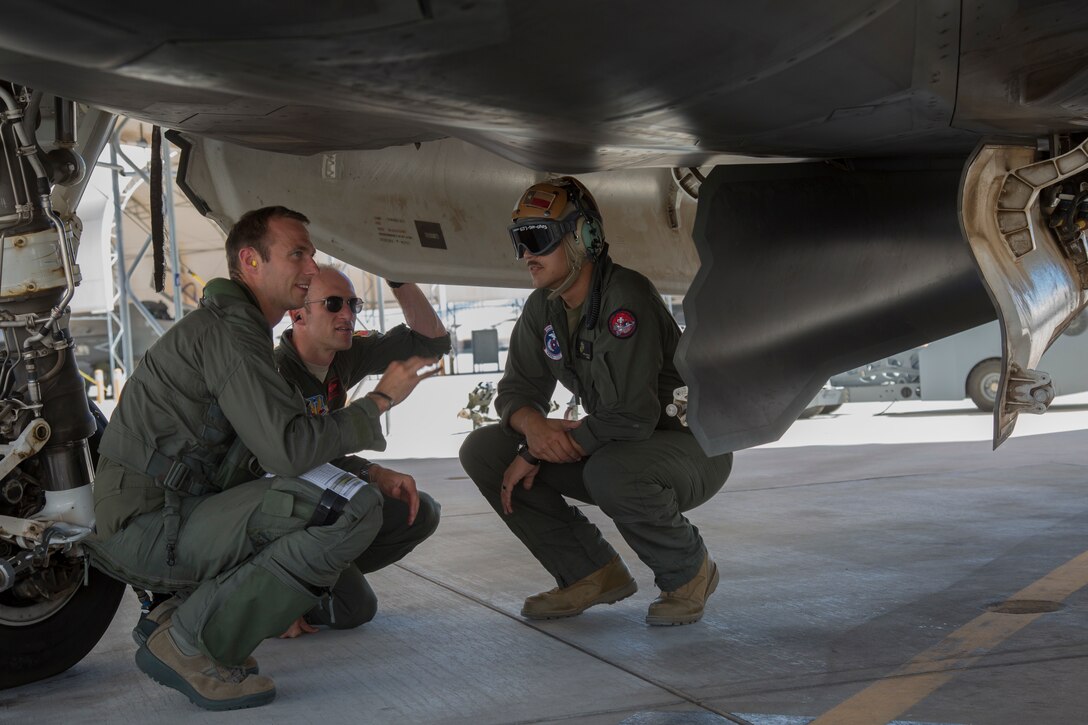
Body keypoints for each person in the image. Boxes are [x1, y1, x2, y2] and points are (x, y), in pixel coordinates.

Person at [87, 206, 436, 711]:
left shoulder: (239, 330)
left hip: (171, 514)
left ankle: (189, 615)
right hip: (151, 525)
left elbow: (262, 458)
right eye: (298, 254)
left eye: (311, 255)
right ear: (250, 261)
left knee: (360, 500)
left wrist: (369, 469)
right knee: (345, 507)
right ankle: (190, 642)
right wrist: (378, 402)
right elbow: (289, 450)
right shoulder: (230, 333)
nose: (312, 268)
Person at [459, 177, 733, 626]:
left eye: (536, 239)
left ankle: (688, 573)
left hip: (688, 448)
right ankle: (589, 572)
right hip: (617, 446)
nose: (526, 255)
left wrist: (536, 450)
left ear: (583, 237)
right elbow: (516, 392)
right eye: (519, 242)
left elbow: (632, 415)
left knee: (612, 471)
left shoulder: (626, 298)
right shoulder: (542, 308)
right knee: (486, 451)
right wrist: (534, 428)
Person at [274, 265, 450, 636]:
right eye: (334, 304)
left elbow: (432, 342)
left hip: (316, 498)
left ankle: (317, 580)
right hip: (276, 511)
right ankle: (268, 591)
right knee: (354, 610)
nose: (348, 315)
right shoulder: (274, 375)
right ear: (297, 314)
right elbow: (287, 462)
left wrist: (396, 273)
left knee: (418, 512)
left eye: (353, 304)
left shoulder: (344, 354)